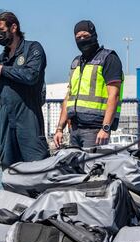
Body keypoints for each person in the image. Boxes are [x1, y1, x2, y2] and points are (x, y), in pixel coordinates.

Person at [0, 11, 49, 168]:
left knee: (37, 167)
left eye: (1, 30)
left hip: (28, 117)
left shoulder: (33, 48)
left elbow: (31, 75)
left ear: (13, 27)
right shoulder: (2, 58)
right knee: (10, 170)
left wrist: (3, 70)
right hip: (6, 122)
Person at [53, 20, 124, 148]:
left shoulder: (108, 58)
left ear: (94, 35)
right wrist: (59, 129)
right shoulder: (76, 63)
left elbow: (114, 95)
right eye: (78, 37)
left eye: (85, 36)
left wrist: (106, 128)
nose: (82, 40)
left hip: (95, 130)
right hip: (74, 129)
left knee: (92, 167)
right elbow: (68, 97)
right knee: (74, 167)